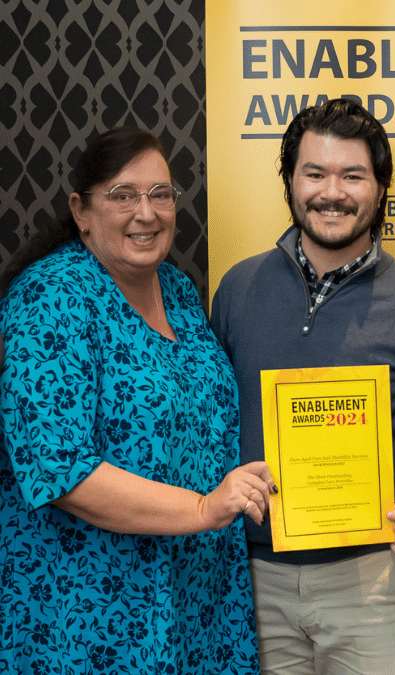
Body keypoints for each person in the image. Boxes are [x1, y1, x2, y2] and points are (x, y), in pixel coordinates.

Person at [0, 128, 275, 674]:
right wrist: (202, 508)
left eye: (160, 194)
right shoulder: (49, 300)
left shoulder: (175, 289)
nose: (146, 213)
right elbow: (60, 471)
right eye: (123, 195)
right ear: (81, 210)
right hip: (94, 610)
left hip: (198, 601)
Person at [210, 98, 395, 675]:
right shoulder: (238, 289)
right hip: (252, 578)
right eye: (315, 173)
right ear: (290, 181)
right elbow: (213, 420)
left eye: (353, 175)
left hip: (372, 581)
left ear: (380, 188)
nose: (333, 192)